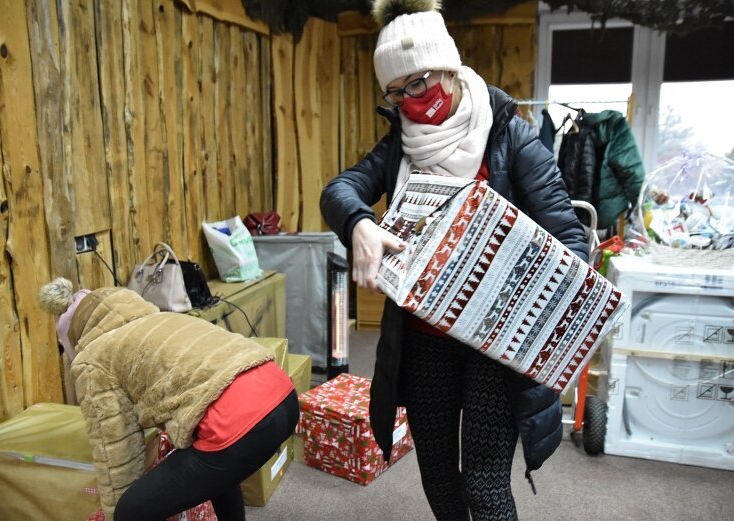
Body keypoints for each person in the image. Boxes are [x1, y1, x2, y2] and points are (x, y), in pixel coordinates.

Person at [319, 1, 589, 520]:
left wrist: (522, 279)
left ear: (449, 67)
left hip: (497, 344)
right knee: (437, 473)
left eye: (418, 83)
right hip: (425, 339)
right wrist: (360, 224)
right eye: (395, 93)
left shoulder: (511, 137)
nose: (410, 102)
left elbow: (570, 243)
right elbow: (342, 188)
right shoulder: (401, 144)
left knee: (485, 486)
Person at [38, 278, 299, 521]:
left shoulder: (95, 357)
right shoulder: (163, 318)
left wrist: (119, 509)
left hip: (237, 428)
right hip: (284, 397)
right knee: (212, 459)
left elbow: (114, 448)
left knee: (129, 511)